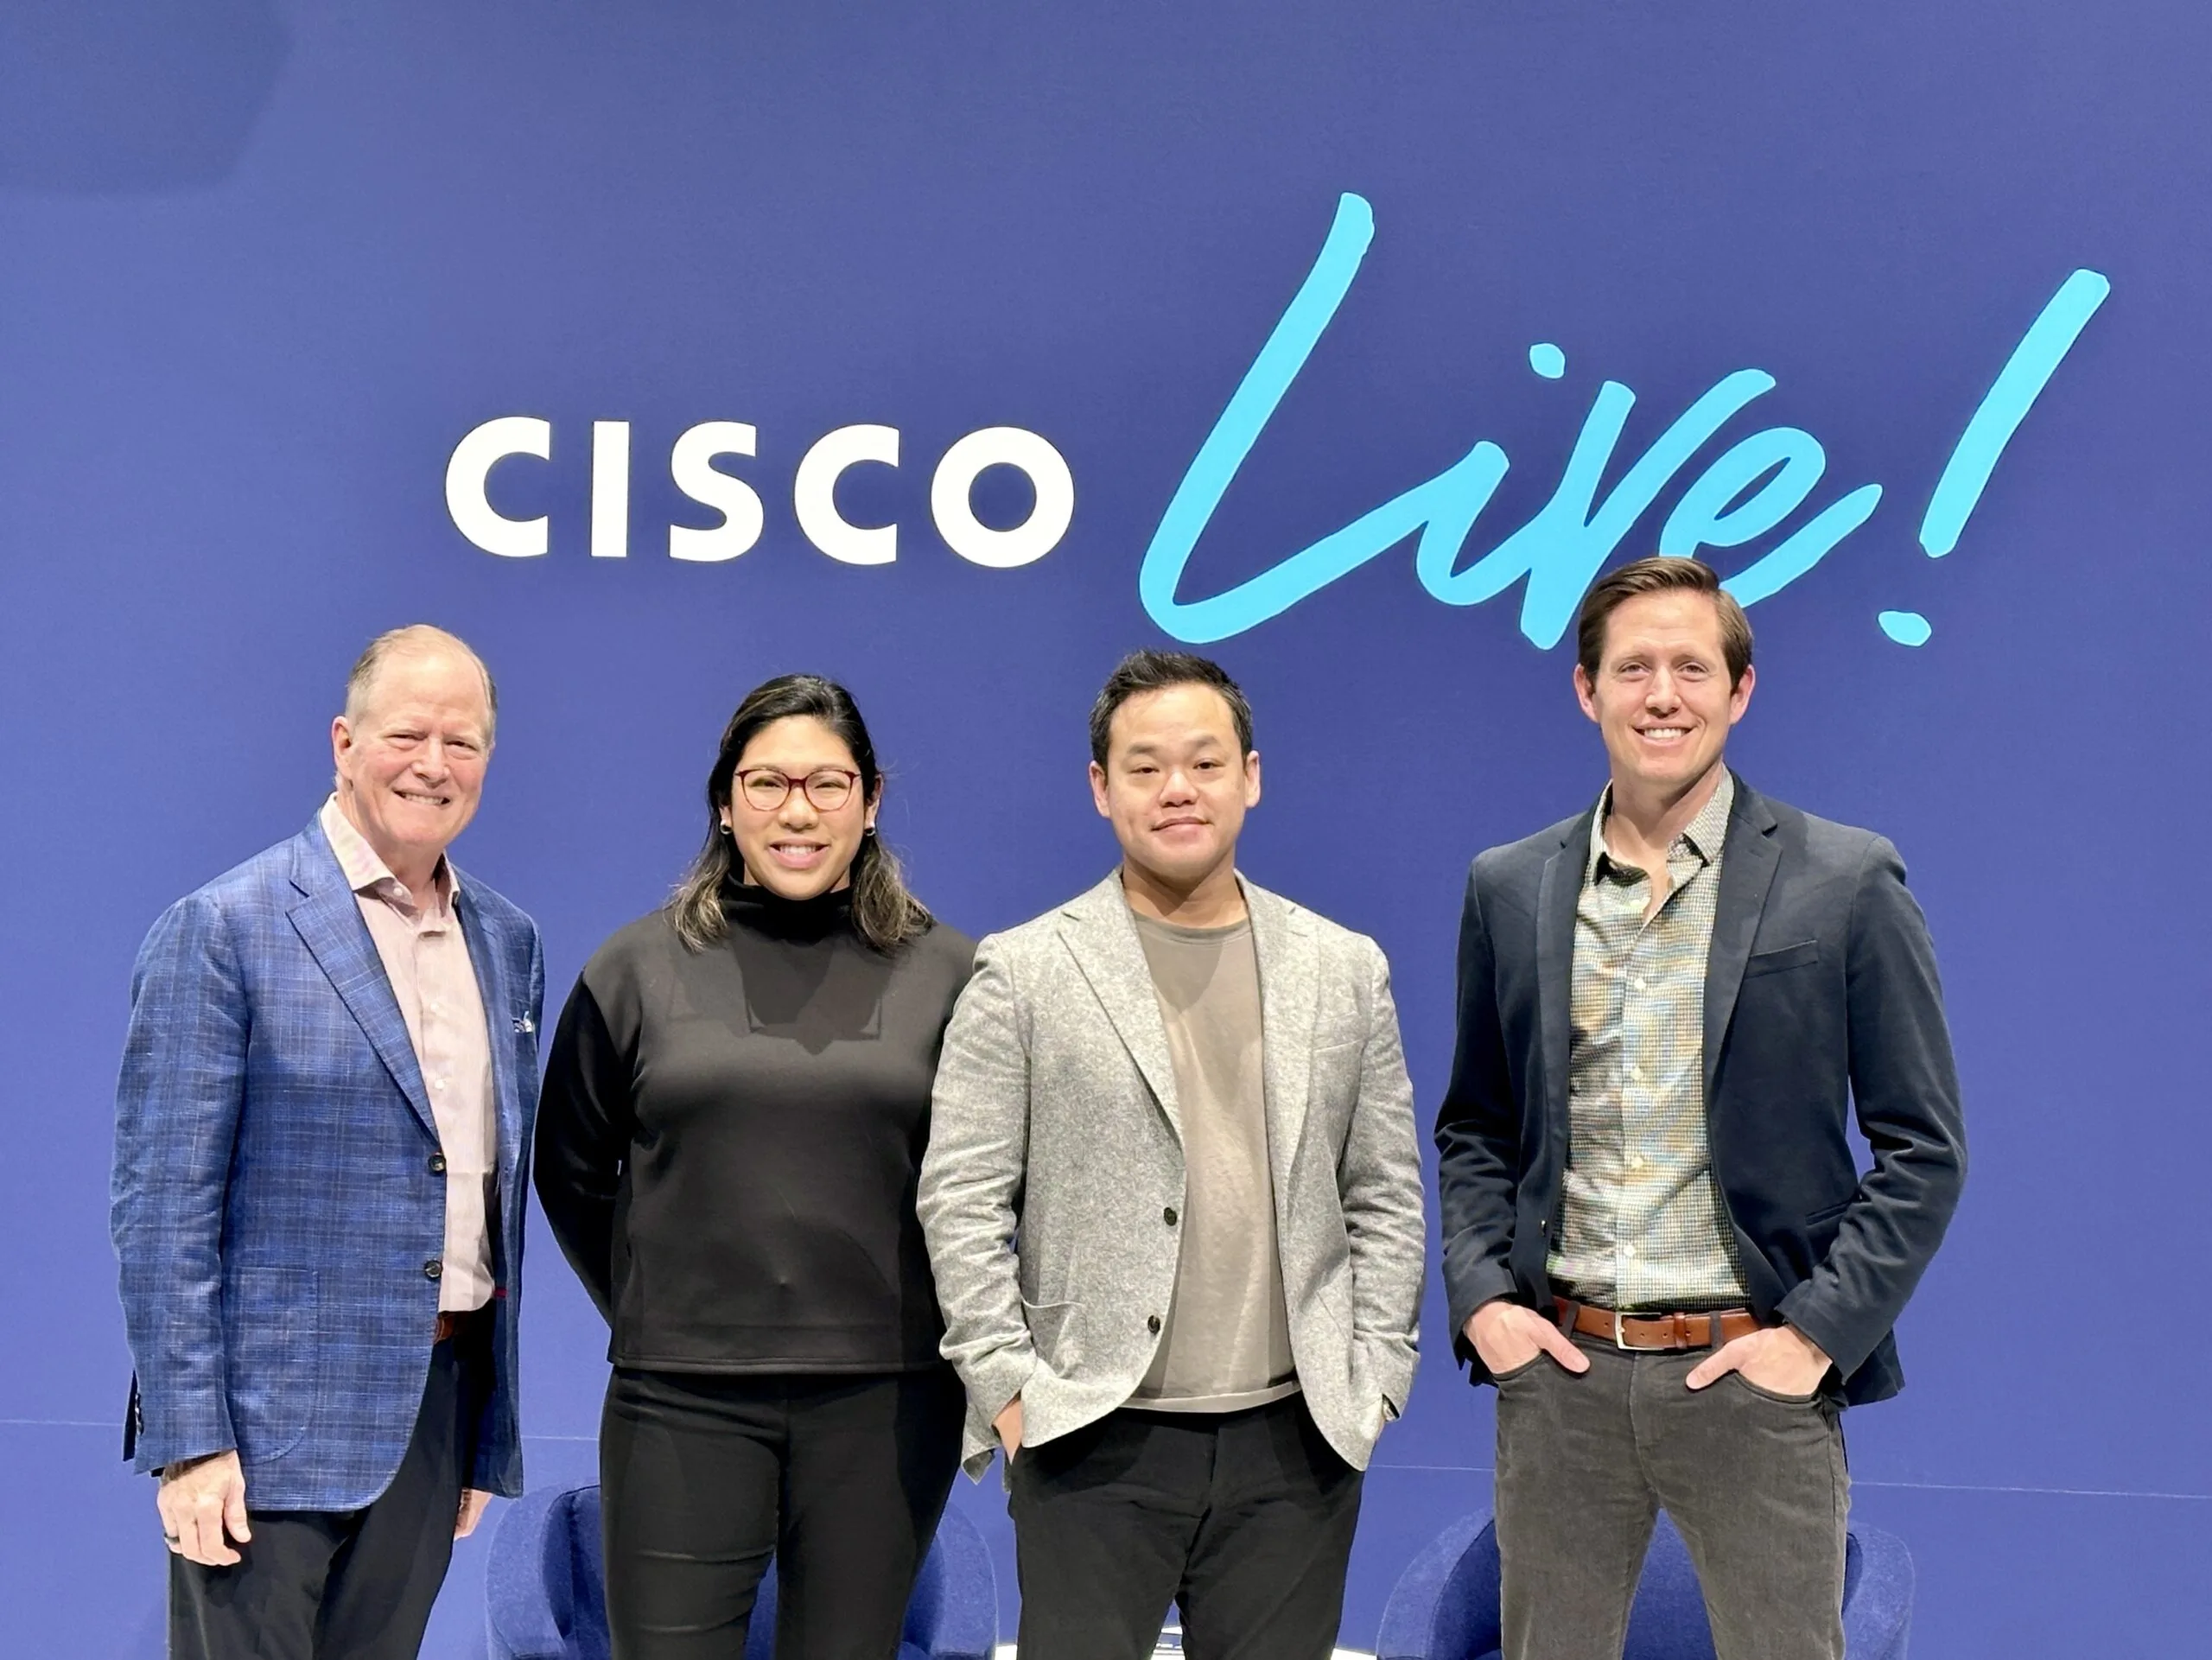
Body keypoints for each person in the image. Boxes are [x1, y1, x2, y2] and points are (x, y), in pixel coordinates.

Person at [1434, 556, 1967, 1660]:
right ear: (1588, 691)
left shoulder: (1845, 879)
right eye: (1633, 668)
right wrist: (1485, 1301)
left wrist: (1812, 1338)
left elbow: (1924, 1149)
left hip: (1752, 1378)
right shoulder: (1511, 884)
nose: (1661, 694)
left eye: (1690, 666)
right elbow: (1476, 1127)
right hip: (1561, 1380)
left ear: (1740, 690)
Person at [918, 648, 1427, 1660]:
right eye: (1145, 766)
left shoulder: (1341, 966)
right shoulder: (1024, 970)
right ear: (1101, 788)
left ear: (1251, 774)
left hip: (1298, 1441)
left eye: (1203, 761)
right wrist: (1014, 1396)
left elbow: (1385, 1194)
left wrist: (1372, 1378)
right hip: (1092, 1436)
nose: (1177, 789)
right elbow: (961, 1198)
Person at [111, 625, 543, 1660]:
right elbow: (163, 1209)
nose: (434, 765)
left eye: (463, 742)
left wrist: (480, 1426)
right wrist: (191, 1441)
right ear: (344, 743)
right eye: (408, 735)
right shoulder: (224, 926)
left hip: (432, 1422)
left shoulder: (508, 939)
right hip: (260, 1437)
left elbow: (484, 1189)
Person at [535, 673, 974, 1660]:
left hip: (888, 1404)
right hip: (680, 1401)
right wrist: (666, 1303)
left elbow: (990, 1190)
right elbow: (569, 1170)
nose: (797, 811)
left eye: (827, 783)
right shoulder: (634, 968)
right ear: (725, 804)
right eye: (767, 782)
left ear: (869, 804)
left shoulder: (953, 974)